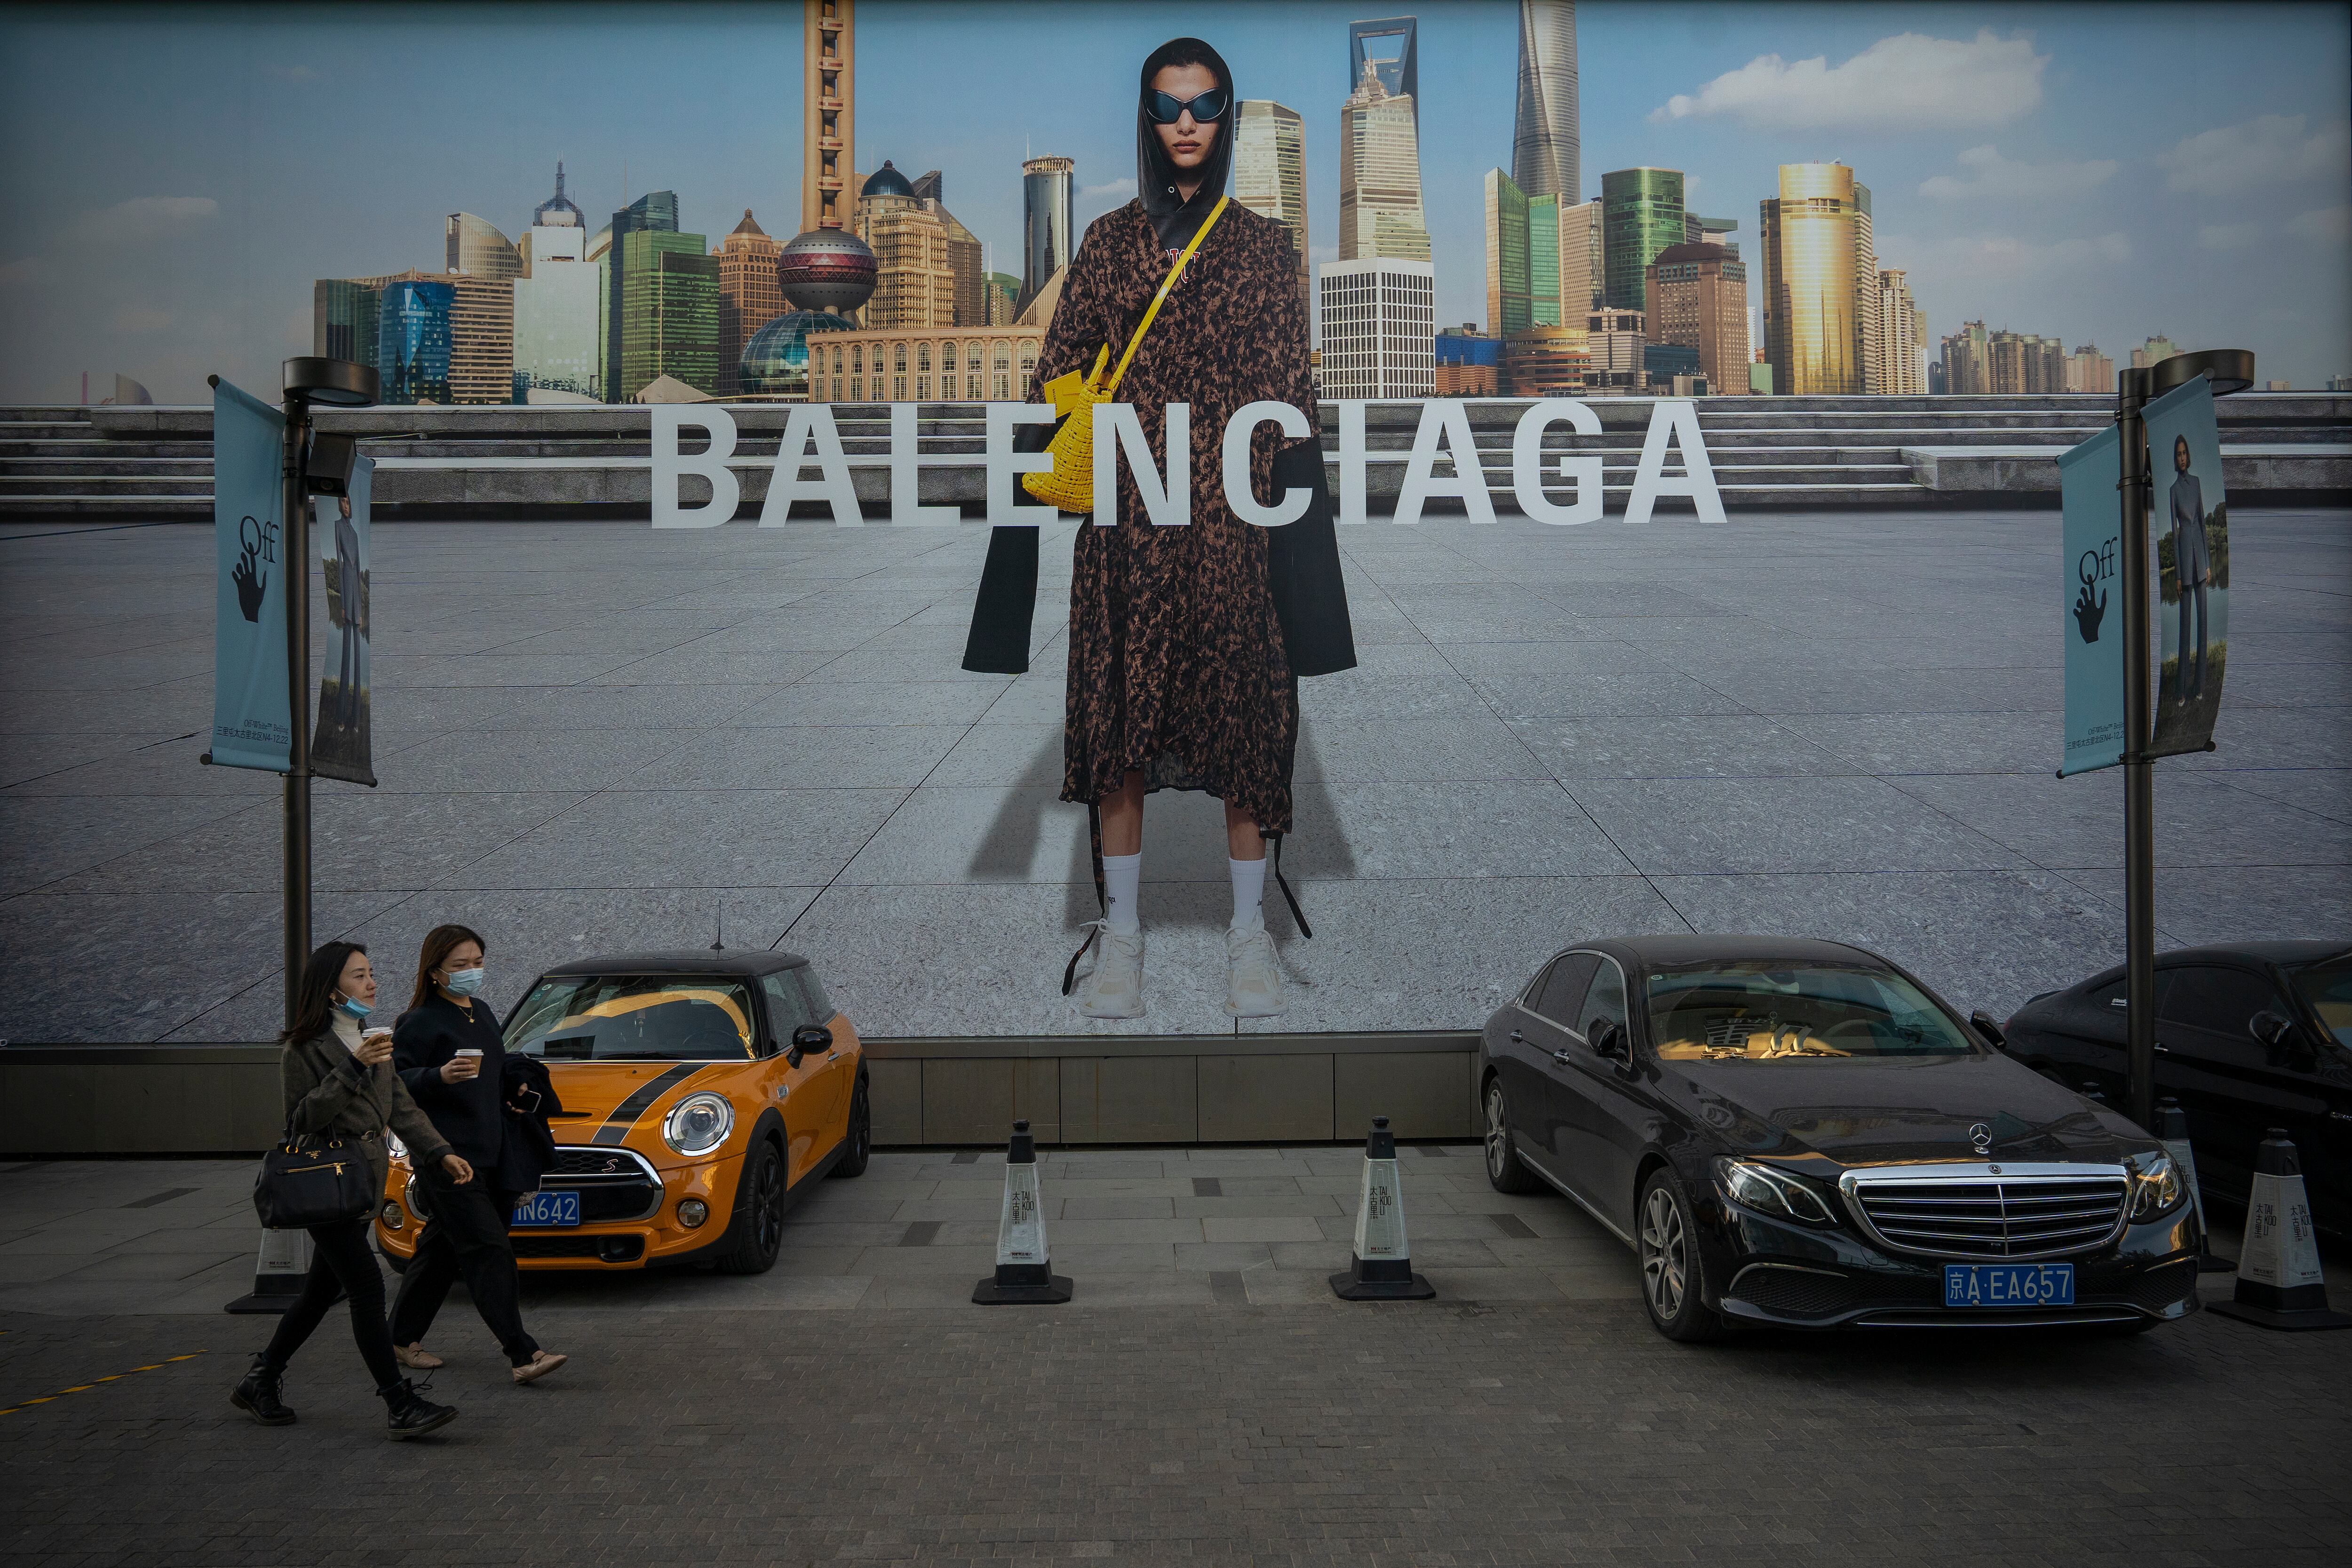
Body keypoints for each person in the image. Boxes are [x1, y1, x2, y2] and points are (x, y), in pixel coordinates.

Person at [997, 37, 1334, 1021]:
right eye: (1168, 105)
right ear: (1147, 120)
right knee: (1121, 737)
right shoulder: (1104, 243)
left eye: (1203, 104)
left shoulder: (1267, 246)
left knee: (1244, 726)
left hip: (1233, 529)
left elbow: (1292, 396)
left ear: (1224, 118)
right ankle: (1123, 942)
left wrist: (1288, 537)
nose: (1186, 121)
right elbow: (1058, 370)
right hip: (1130, 525)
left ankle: (1247, 941)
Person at [229, 940, 462, 1439]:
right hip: (327, 1181)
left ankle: (261, 1378)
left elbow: (402, 1108)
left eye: (371, 972)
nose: (372, 982)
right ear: (331, 990)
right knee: (367, 1287)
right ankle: (399, 1403)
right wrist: (353, 1067)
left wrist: (440, 1152)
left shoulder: (370, 1036)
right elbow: (301, 1119)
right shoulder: (304, 1048)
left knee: (320, 1292)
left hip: (363, 1184)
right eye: (359, 976)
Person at [387, 924, 567, 1384]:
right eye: (460, 966)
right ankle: (522, 1353)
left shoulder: (482, 1012)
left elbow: (496, 1068)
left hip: (491, 1153)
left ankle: (399, 1337)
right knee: (490, 1249)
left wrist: (516, 1083)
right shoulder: (419, 1021)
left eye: (477, 962)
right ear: (434, 973)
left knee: (440, 1251)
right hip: (446, 1157)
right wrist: (437, 1076)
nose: (471, 972)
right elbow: (393, 1084)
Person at [2167, 434, 2211, 698]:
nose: (2182, 458)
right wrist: (2177, 575)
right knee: (2185, 628)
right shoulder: (2173, 491)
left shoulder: (2196, 484)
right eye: (2178, 455)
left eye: (2185, 453)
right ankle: (2182, 690)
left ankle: (2200, 688)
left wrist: (2206, 562)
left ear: (2188, 456)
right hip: (2184, 564)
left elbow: (2204, 526)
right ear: (2175, 459)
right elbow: (2174, 535)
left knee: (2203, 625)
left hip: (2201, 563)